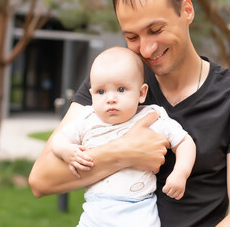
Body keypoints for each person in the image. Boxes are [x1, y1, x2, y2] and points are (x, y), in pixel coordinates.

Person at [29, 0, 230, 226]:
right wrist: (125, 152)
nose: (146, 49)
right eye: (132, 37)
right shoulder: (114, 83)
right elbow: (42, 180)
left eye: (155, 30)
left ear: (187, 10)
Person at [50, 46, 196, 227]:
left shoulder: (152, 117)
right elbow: (57, 140)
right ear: (91, 95)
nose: (110, 98)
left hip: (138, 211)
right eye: (101, 92)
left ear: (141, 93)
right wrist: (66, 150)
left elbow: (184, 141)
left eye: (121, 89)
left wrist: (180, 173)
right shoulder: (87, 119)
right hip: (96, 210)